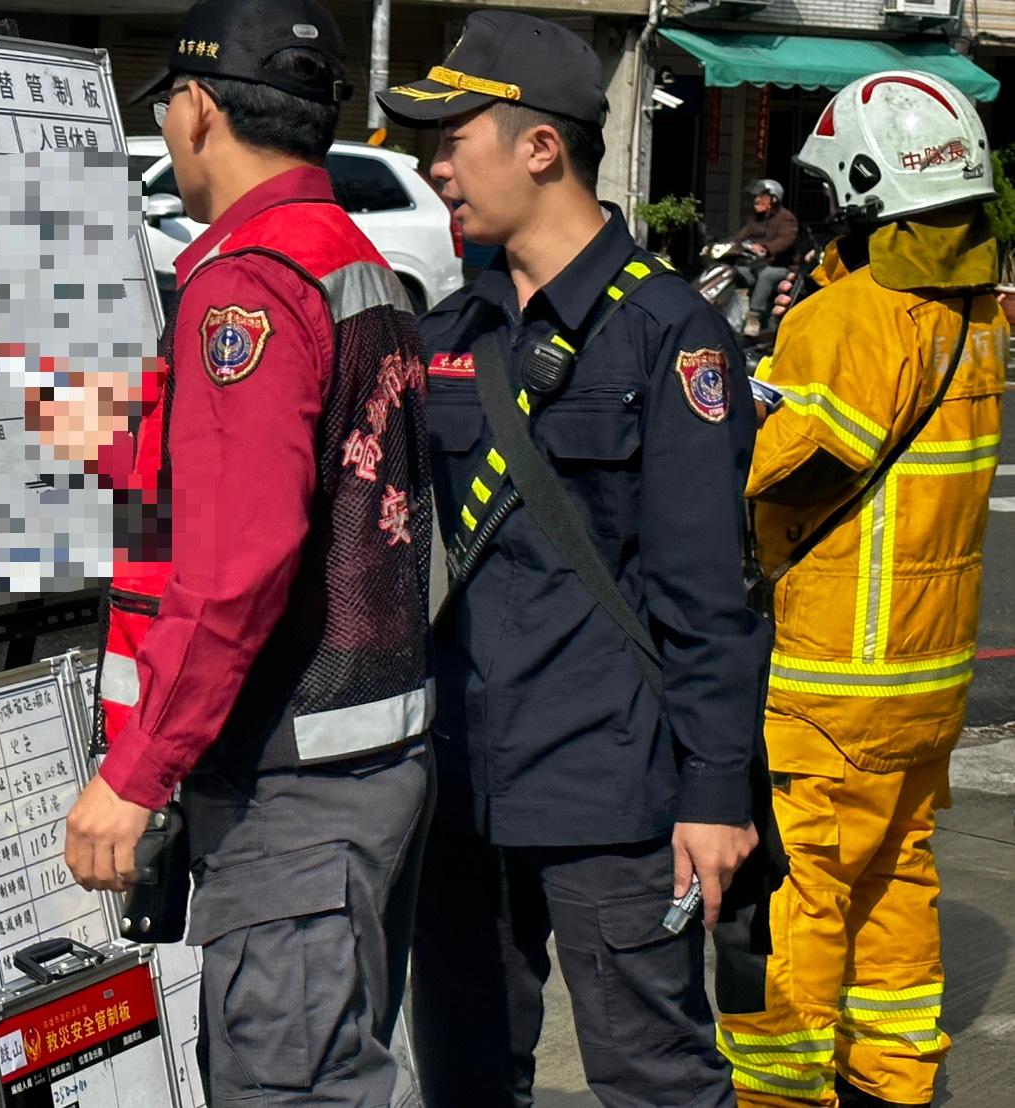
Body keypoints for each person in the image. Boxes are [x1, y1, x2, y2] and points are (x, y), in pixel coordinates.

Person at [44, 2, 437, 1105]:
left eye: (170, 103)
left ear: (202, 107)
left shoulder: (245, 285)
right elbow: (302, 468)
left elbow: (242, 558)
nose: (170, 125)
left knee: (293, 1084)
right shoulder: (348, 260)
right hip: (367, 763)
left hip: (293, 784)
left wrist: (136, 772)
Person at [376, 11, 770, 1107]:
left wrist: (713, 794)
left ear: (540, 147)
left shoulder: (668, 334)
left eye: (452, 137)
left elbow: (705, 599)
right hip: (459, 793)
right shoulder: (450, 330)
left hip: (615, 796)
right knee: (461, 1076)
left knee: (652, 1080)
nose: (431, 165)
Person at [720, 70, 1007, 1108]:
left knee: (798, 904)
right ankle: (893, 1082)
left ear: (861, 188)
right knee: (898, 884)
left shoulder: (851, 319)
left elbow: (774, 468)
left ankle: (784, 1093)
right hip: (927, 684)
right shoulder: (976, 318)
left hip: (831, 680)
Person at [733, 178, 800, 338]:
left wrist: (765, 248)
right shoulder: (755, 219)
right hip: (758, 264)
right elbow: (740, 237)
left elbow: (784, 240)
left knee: (766, 275)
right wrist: (725, 247)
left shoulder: (786, 219)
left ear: (774, 199)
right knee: (735, 272)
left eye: (761, 196)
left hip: (782, 267)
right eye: (756, 196)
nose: (756, 199)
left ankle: (753, 318)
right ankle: (730, 313)